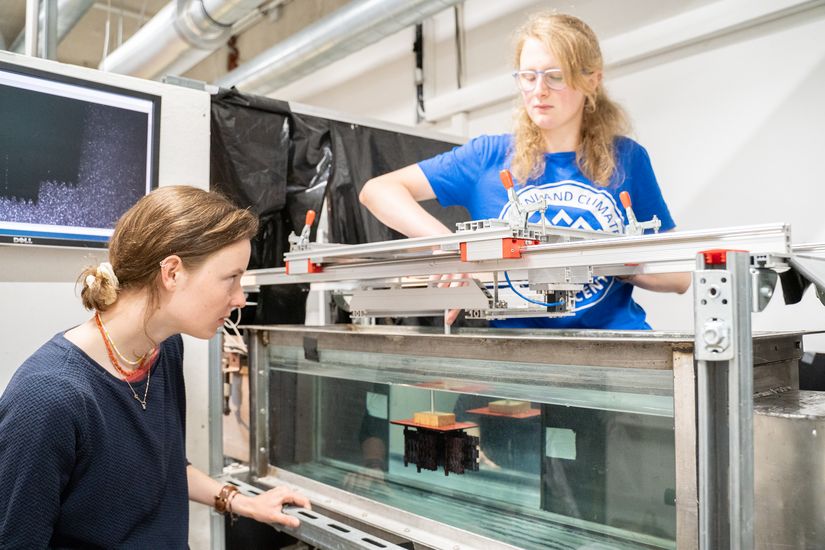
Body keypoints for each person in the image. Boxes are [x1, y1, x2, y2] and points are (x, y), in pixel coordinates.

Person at [0, 186, 310, 548]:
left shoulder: (163, 349)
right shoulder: (48, 398)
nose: (241, 298)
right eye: (232, 278)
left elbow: (164, 468)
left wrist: (241, 502)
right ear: (172, 272)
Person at [359, 12, 690, 329]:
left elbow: (680, 276)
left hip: (614, 344)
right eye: (528, 77)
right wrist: (451, 247)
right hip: (520, 347)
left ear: (592, 80)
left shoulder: (627, 157)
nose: (539, 90)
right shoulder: (488, 156)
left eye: (555, 76)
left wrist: (611, 262)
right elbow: (378, 191)